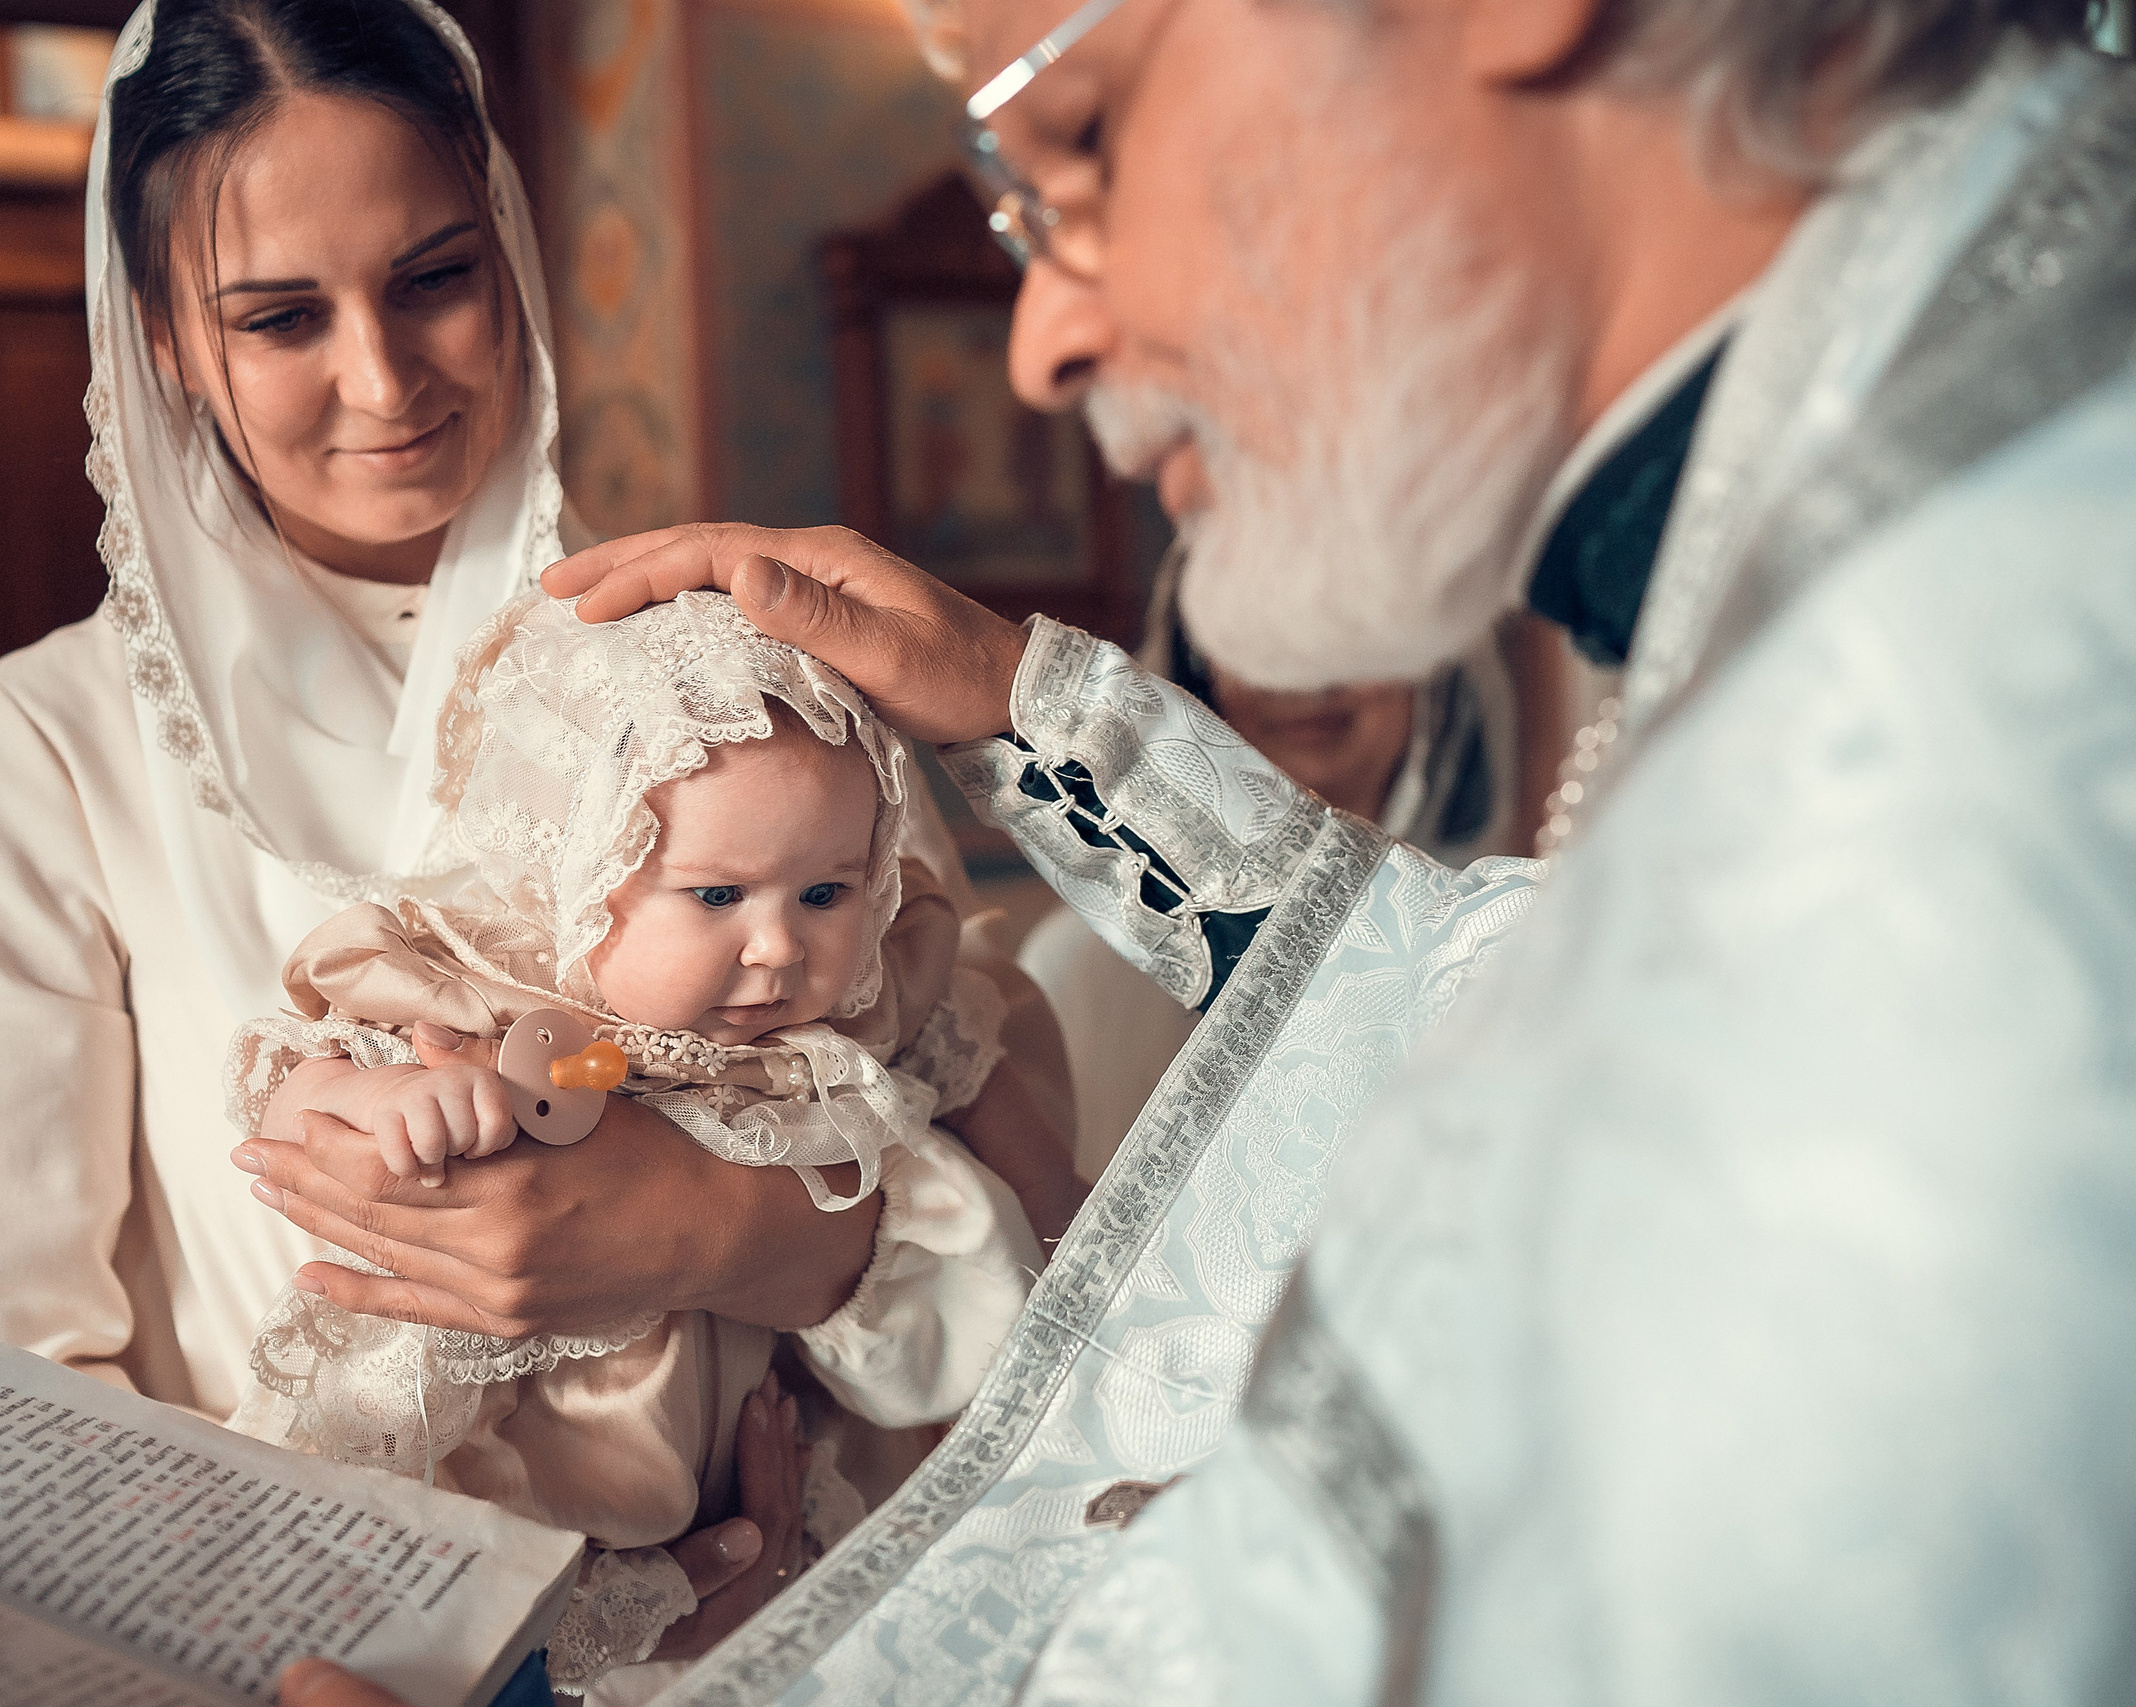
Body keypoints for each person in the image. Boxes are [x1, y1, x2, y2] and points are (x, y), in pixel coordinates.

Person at [532, 0, 2136, 1699]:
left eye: (1076, 140)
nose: (1044, 341)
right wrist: (1024, 704)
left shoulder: (1966, 732)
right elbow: (1457, 975)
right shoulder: (1925, 478)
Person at [0, 5, 1053, 1656]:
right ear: (168, 341)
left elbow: (990, 1170)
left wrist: (722, 1232)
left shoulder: (723, 675)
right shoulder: (53, 744)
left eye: (433, 277)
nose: (382, 379)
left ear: (513, 254)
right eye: (278, 317)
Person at [224, 590, 1051, 1693]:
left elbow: (1025, 1207)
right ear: (575, 872)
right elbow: (287, 1090)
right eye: (715, 893)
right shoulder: (481, 990)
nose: (774, 947)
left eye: (823, 892)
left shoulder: (849, 1018)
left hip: (766, 1508)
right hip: (501, 1504)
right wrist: (384, 1111)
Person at [1016, 549, 1549, 1176]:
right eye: (1260, 639)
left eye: (1350, 633)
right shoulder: (1075, 970)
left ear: (1426, 667)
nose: (1306, 681)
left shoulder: (1516, 941)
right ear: (1200, 672)